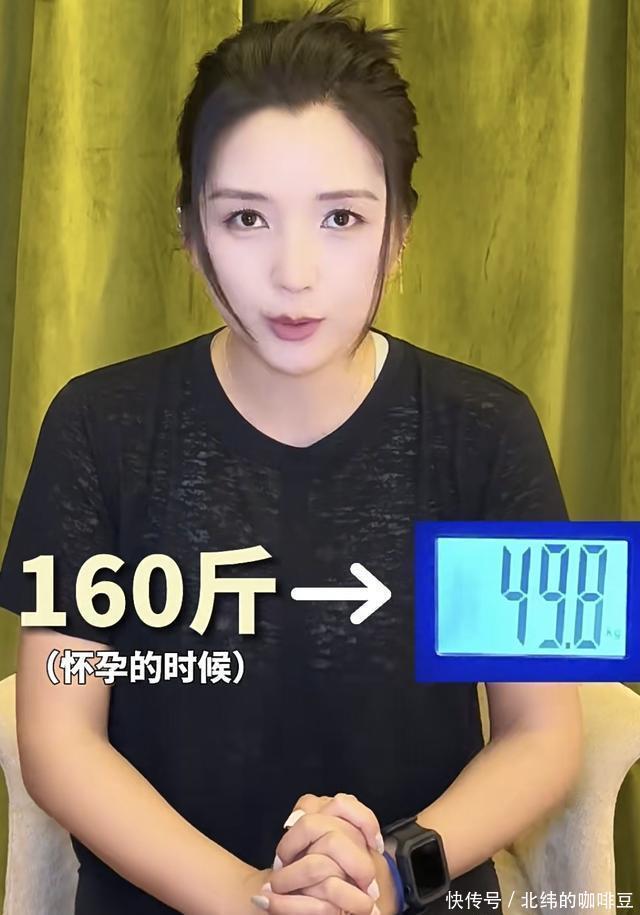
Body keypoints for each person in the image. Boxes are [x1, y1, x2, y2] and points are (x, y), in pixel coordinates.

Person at [0, 1, 583, 913]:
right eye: (246, 218)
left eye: (342, 217)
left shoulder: (492, 425)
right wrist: (246, 895)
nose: (295, 273)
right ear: (190, 232)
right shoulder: (93, 424)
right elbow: (58, 737)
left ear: (401, 231)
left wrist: (390, 875)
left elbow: (543, 733)